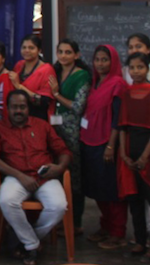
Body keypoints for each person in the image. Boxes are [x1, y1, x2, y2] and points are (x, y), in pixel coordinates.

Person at [0, 90, 71, 265]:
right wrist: (20, 176)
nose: (18, 111)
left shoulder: (42, 126)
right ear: (7, 109)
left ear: (28, 108)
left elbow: (63, 151)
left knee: (59, 206)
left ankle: (23, 239)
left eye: (22, 107)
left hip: (45, 176)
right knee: (7, 201)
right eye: (14, 107)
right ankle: (31, 244)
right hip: (15, 177)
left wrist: (60, 167)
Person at [117, 53, 150, 261]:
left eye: (140, 67)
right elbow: (122, 126)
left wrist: (145, 156)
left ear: (147, 69)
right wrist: (123, 153)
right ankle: (140, 240)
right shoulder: (127, 93)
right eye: (132, 68)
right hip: (130, 153)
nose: (136, 71)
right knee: (135, 200)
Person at [80, 45, 129, 250]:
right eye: (97, 59)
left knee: (112, 190)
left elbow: (118, 118)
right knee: (98, 188)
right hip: (88, 141)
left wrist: (111, 145)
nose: (100, 64)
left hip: (107, 144)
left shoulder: (118, 84)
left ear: (113, 61)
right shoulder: (94, 83)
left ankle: (117, 232)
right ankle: (106, 226)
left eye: (105, 60)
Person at [48, 38, 91, 232]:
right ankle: (58, 219)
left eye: (68, 52)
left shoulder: (82, 76)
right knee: (55, 174)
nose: (64, 56)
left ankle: (75, 222)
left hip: (72, 131)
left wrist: (57, 95)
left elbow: (77, 106)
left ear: (77, 55)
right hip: (54, 129)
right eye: (61, 52)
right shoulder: (54, 72)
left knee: (73, 175)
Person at [10, 35, 56, 121]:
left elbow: (44, 102)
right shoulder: (19, 65)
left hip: (37, 117)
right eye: (24, 47)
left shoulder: (47, 69)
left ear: (39, 50)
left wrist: (20, 87)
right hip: (18, 116)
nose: (27, 50)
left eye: (31, 48)